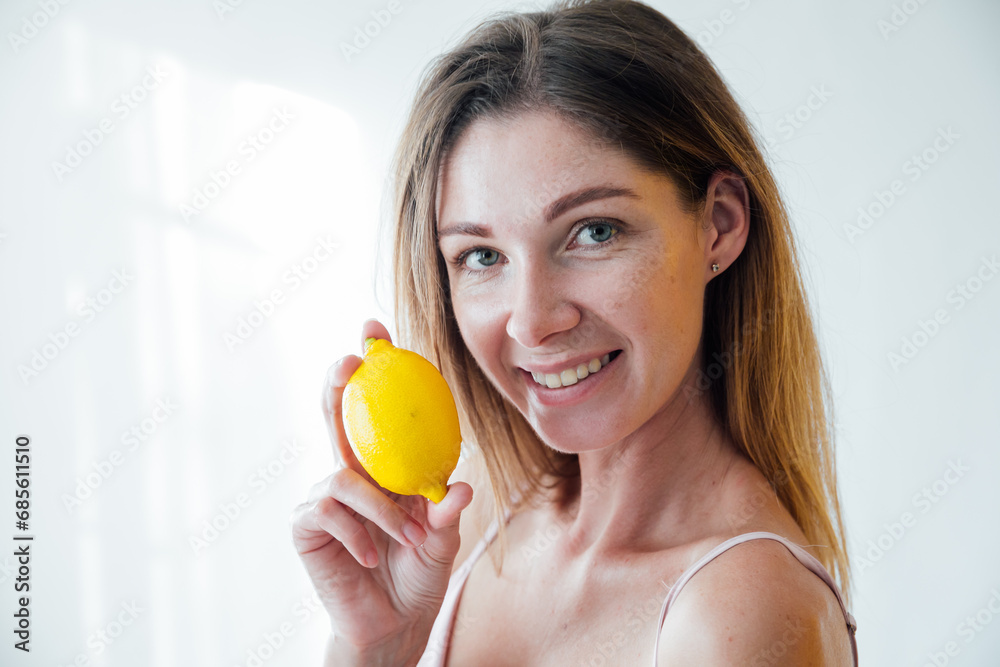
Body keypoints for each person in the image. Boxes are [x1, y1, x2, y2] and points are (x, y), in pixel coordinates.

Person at [290, 0, 859, 664]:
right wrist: (375, 645)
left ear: (721, 224)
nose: (532, 320)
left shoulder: (739, 612)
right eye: (482, 256)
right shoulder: (477, 517)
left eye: (594, 232)